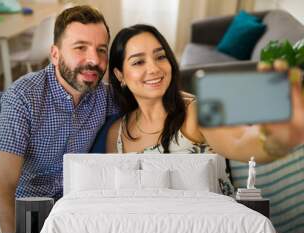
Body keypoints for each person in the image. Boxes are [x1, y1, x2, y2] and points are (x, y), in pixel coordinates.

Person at [0, 5, 117, 233]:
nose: (93, 60)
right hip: (7, 210)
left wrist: (185, 103)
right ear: (55, 55)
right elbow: (0, 187)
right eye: (80, 48)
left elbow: (151, 99)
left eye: (101, 50)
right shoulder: (24, 97)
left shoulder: (103, 95)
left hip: (59, 213)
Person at [106, 24, 303, 162]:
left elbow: (238, 142)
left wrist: (275, 140)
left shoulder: (196, 112)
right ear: (120, 74)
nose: (155, 69)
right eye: (139, 62)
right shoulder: (117, 133)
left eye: (160, 57)